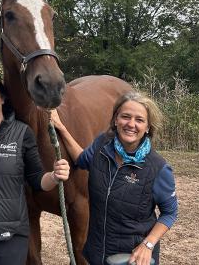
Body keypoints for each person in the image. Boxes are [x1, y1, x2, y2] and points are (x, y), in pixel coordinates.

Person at [50, 91, 178, 265]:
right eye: (125, 117)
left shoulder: (158, 168)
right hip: (96, 252)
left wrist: (147, 245)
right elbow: (82, 159)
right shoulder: (102, 145)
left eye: (139, 120)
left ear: (148, 127)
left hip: (132, 257)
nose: (131, 124)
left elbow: (170, 212)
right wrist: (61, 127)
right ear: (116, 120)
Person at [0, 74, 70, 265]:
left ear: (2, 98)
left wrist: (55, 176)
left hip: (11, 238)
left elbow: (36, 179)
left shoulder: (22, 133)